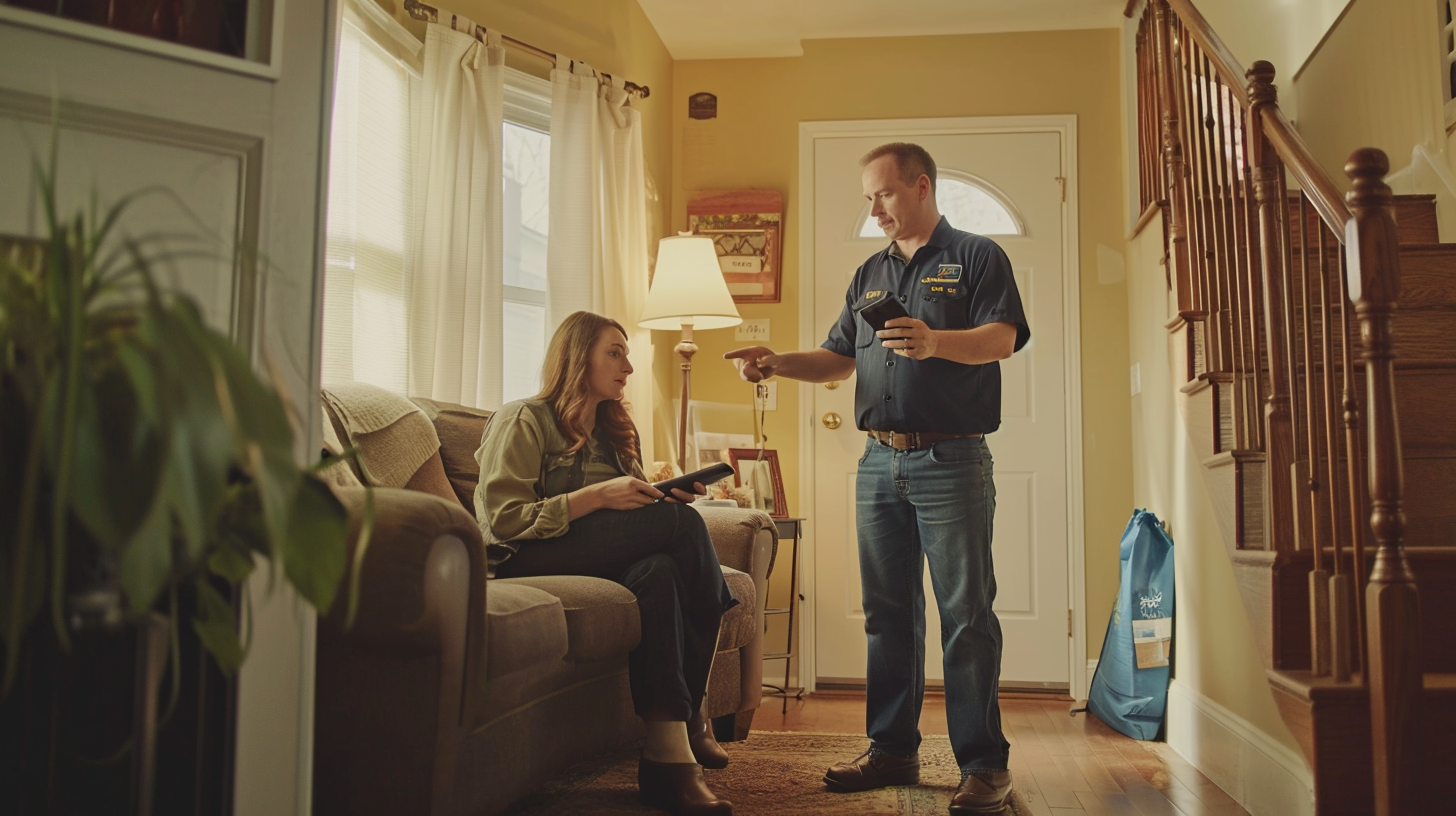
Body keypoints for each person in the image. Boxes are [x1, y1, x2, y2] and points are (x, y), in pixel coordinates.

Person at [724, 142, 1029, 815]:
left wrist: (935, 341)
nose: (875, 207)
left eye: (884, 193)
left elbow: (1003, 338)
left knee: (965, 615)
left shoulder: (977, 256)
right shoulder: (868, 273)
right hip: (878, 463)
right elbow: (837, 359)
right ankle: (892, 747)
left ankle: (984, 764)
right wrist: (775, 362)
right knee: (888, 614)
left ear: (920, 186)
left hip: (953, 462)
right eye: (868, 197)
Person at [475, 310, 737, 816]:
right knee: (682, 530)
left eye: (626, 355)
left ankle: (667, 758)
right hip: (524, 557)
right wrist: (594, 497)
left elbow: (631, 515)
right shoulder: (524, 418)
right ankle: (695, 712)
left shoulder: (614, 428)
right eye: (614, 353)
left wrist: (661, 497)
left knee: (659, 568)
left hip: (591, 554)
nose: (628, 367)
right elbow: (502, 522)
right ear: (578, 357)